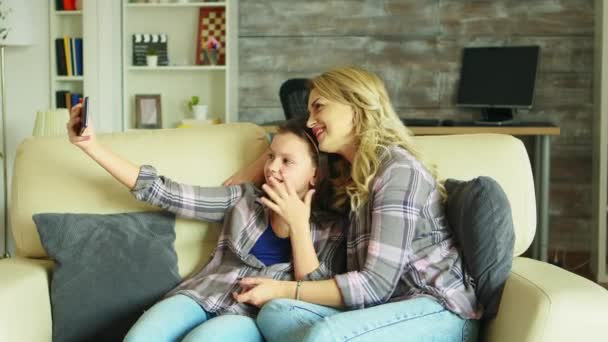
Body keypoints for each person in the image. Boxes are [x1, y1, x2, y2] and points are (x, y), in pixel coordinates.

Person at [226, 66, 481, 341]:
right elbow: (232, 190)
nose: (311, 122)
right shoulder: (350, 178)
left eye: (318, 108)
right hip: (377, 310)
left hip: (435, 309)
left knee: (324, 334)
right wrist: (279, 154)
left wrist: (282, 288)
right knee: (276, 313)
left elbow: (375, 285)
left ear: (355, 105)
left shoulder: (398, 171)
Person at [66, 113, 345, 342]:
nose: (272, 168)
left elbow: (308, 294)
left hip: (248, 317)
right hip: (201, 294)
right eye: (270, 157)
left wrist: (298, 225)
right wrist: (91, 146)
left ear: (314, 175)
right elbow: (165, 192)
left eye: (287, 161)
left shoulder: (332, 229)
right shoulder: (243, 198)